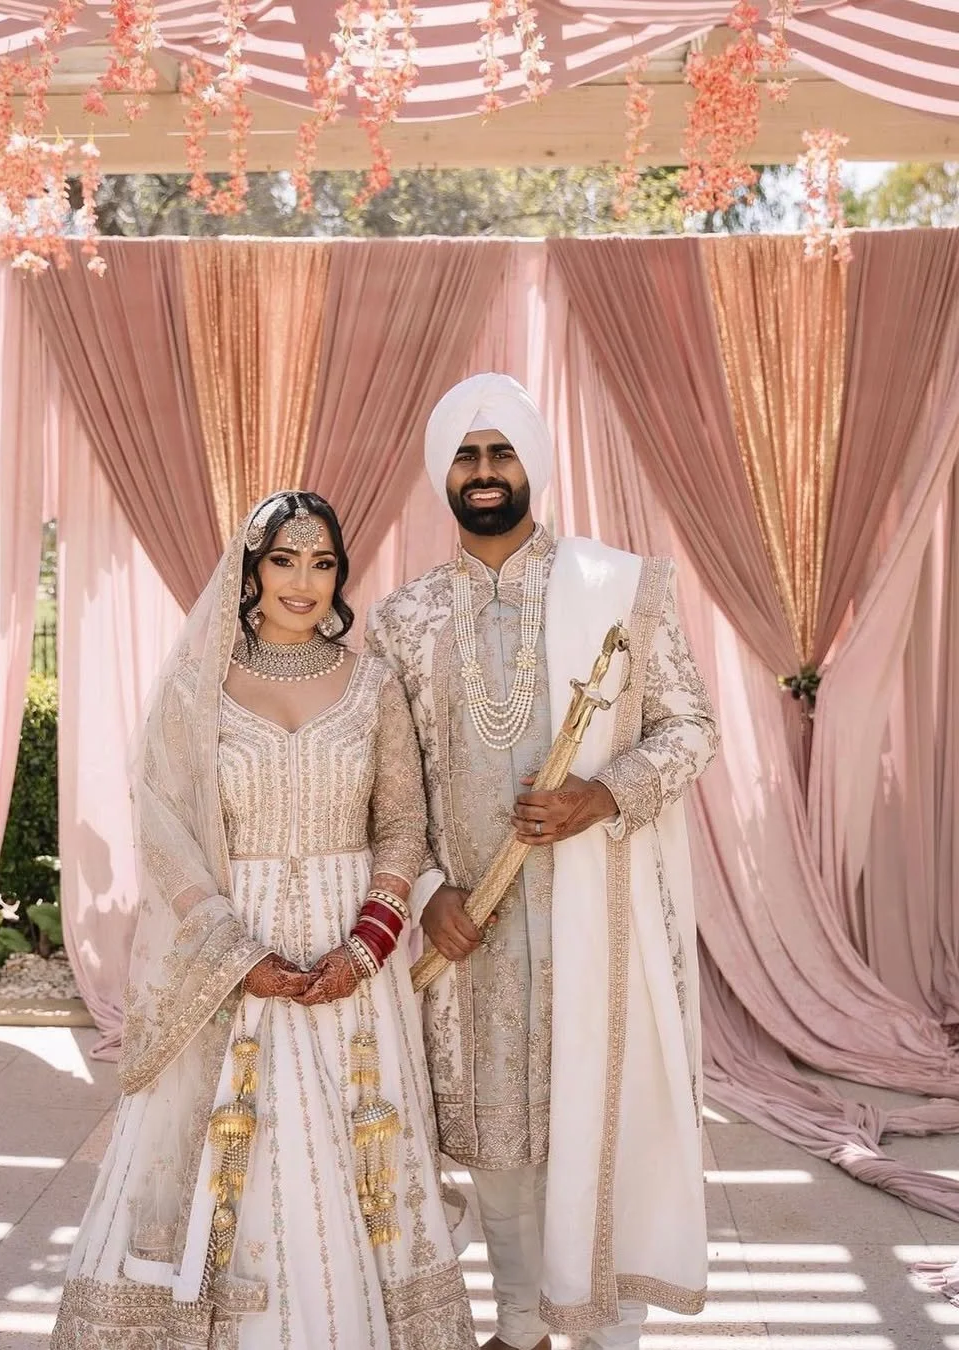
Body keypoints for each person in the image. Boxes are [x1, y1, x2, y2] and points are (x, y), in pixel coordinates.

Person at [52, 491, 475, 1350]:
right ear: (251, 570)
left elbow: (400, 822)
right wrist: (233, 951)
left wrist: (370, 941)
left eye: (323, 564)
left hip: (348, 951)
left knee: (357, 1137)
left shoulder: (373, 685)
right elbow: (163, 824)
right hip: (231, 947)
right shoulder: (197, 683)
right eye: (285, 559)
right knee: (232, 1131)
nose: (303, 581)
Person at [367, 374, 719, 1350]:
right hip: (475, 944)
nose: (485, 474)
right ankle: (518, 1327)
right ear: (446, 476)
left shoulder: (618, 592)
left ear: (536, 466)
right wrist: (431, 893)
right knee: (502, 1153)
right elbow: (384, 790)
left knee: (595, 1133)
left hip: (592, 929)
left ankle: (606, 1335)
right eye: (467, 457)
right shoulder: (401, 623)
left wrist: (603, 794)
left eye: (502, 452)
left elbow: (690, 726)